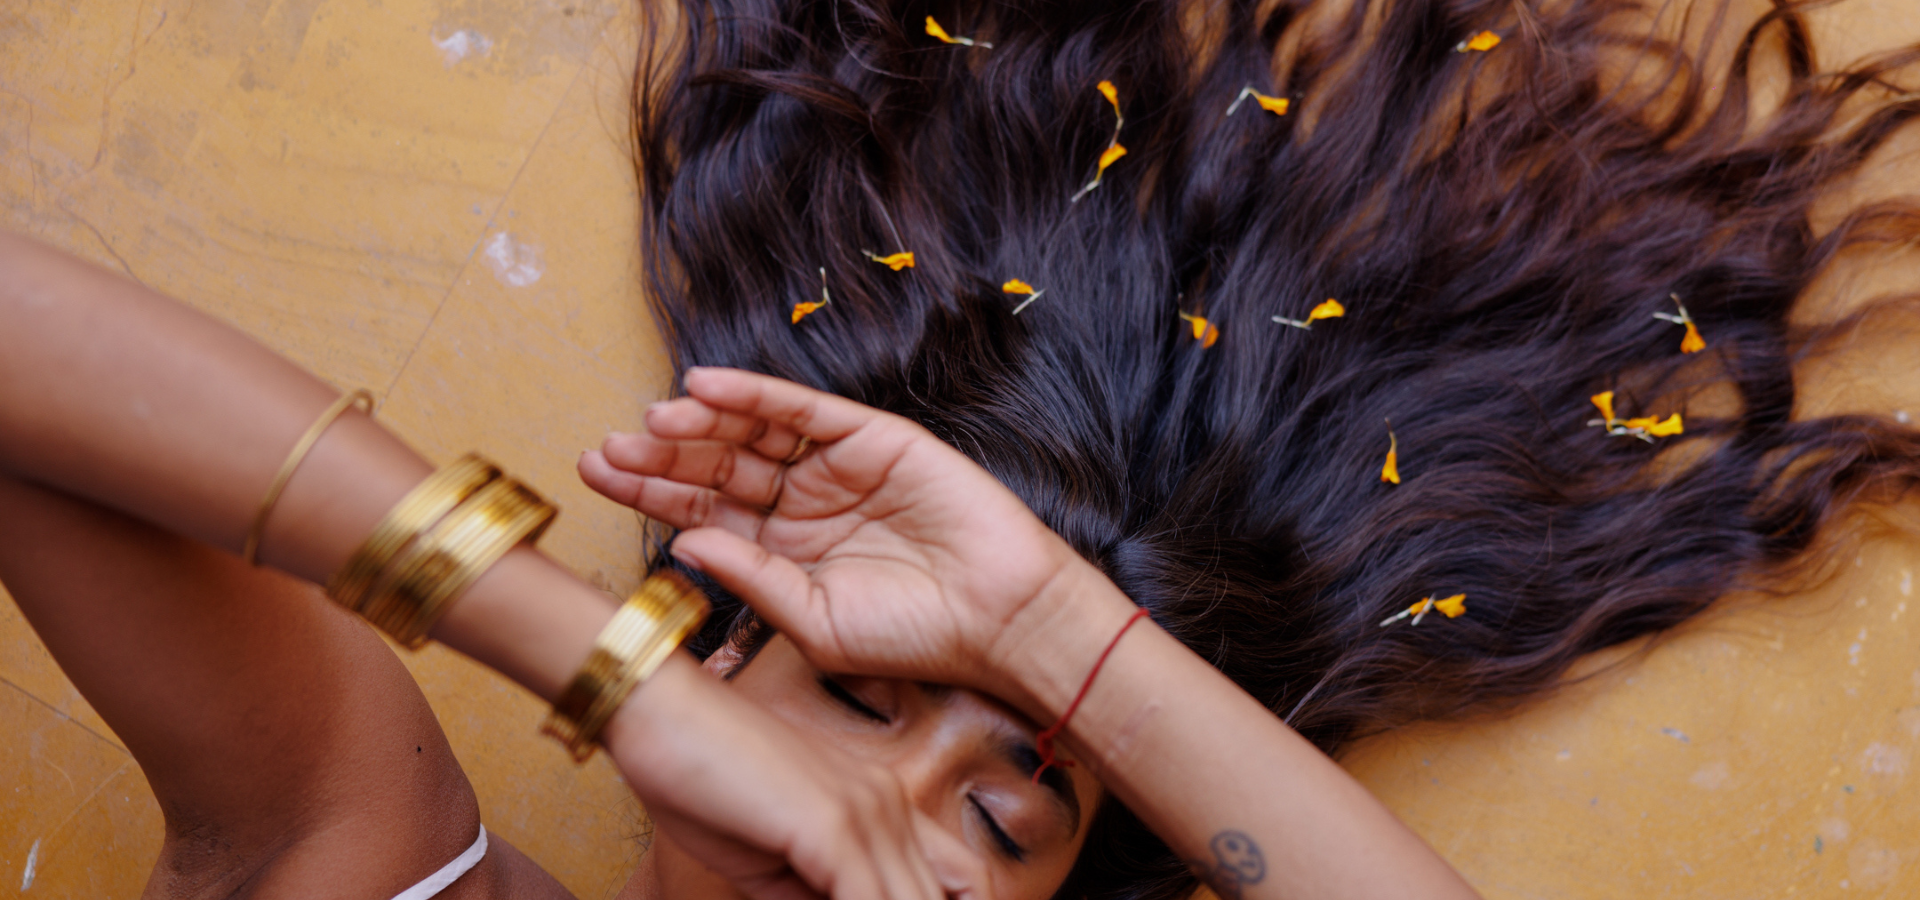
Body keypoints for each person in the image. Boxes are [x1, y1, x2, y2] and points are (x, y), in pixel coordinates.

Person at [2, 2, 1918, 900]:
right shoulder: (373, 854)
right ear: (712, 651)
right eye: (858, 697)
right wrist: (608, 680)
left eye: (1017, 821)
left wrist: (1059, 637)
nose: (895, 820)